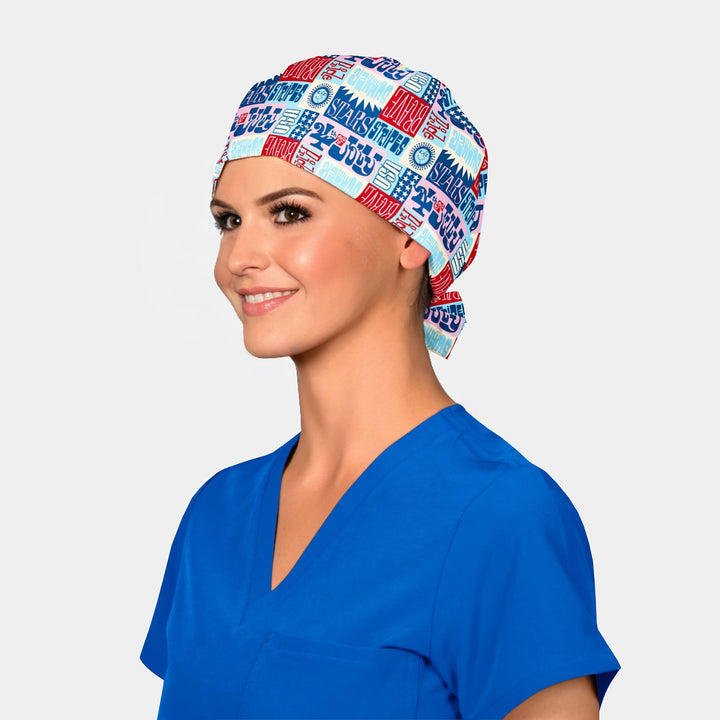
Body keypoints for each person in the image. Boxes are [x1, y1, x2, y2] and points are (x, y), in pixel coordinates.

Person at [140, 54, 620, 719]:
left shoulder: (500, 518)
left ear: (412, 236)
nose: (239, 258)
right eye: (230, 220)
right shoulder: (216, 516)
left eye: (289, 213)